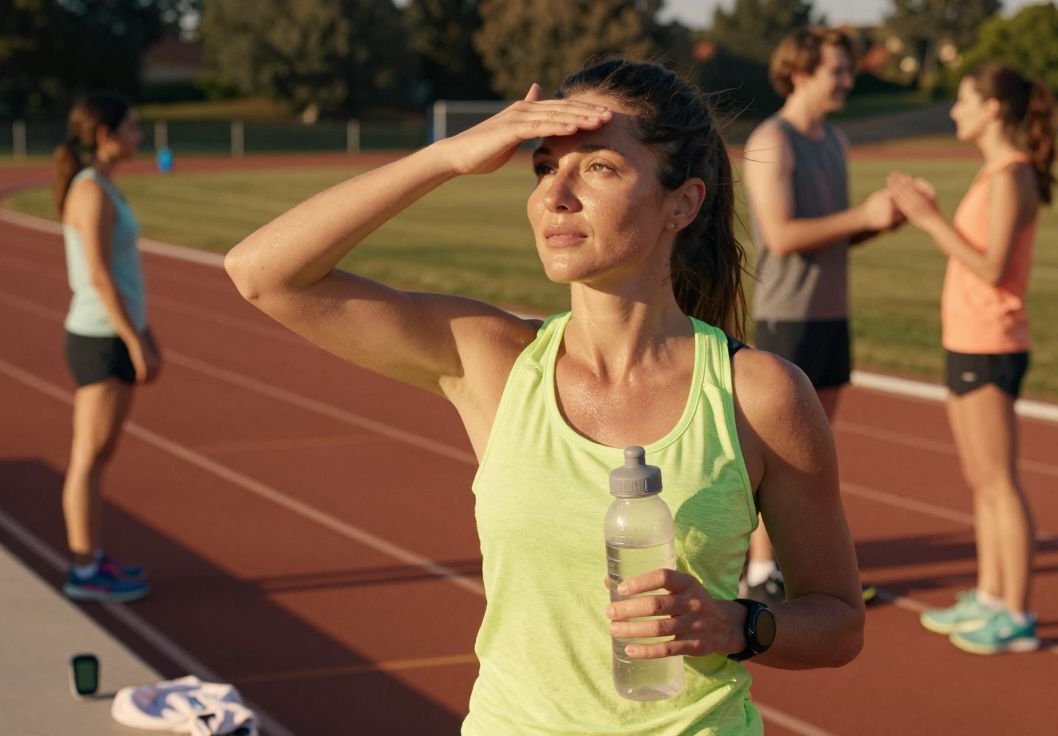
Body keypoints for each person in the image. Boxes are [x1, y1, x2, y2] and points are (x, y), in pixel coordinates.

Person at [226, 59, 864, 733]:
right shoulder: (493, 362)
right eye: (541, 167)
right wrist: (445, 158)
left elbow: (838, 621)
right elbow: (264, 274)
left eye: (598, 168)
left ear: (682, 202)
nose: (555, 195)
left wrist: (738, 625)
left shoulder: (758, 394)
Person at [887, 64, 1056, 655]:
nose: (955, 111)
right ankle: (991, 595)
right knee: (981, 480)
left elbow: (990, 267)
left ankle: (1018, 612)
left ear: (992, 110)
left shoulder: (1012, 176)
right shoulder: (995, 174)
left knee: (999, 482)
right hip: (969, 339)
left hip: (992, 341)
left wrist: (929, 219)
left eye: (963, 100)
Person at [740, 26, 898, 604]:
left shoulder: (831, 140)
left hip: (831, 313)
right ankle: (760, 572)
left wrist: (875, 223)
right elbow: (781, 236)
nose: (847, 81)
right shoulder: (773, 141)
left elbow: (830, 237)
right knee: (779, 453)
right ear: (801, 73)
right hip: (789, 316)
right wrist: (863, 216)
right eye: (837, 70)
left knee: (817, 453)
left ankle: (802, 569)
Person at [54, 92, 157, 603]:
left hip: (112, 332)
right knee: (88, 458)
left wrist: (143, 329)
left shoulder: (101, 187)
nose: (139, 136)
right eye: (133, 127)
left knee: (99, 456)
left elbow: (120, 272)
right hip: (99, 337)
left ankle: (92, 558)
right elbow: (97, 274)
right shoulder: (91, 191)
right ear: (105, 135)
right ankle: (83, 567)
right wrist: (134, 340)